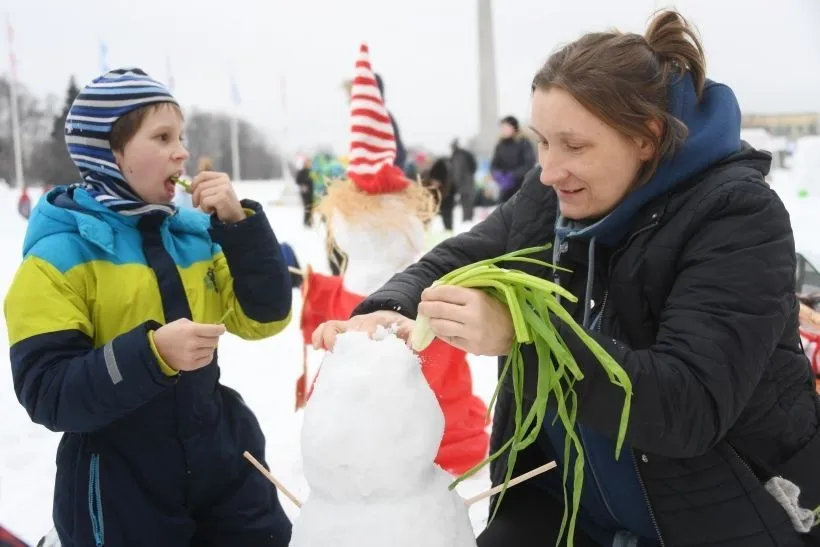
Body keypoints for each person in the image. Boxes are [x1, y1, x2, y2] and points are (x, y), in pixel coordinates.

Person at [311, 10, 820, 546]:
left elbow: (687, 407)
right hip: (569, 510)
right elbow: (462, 256)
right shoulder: (550, 194)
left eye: (574, 146)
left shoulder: (735, 216)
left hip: (720, 517)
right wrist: (392, 306)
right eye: (542, 142)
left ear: (646, 138)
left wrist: (524, 333)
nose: (550, 169)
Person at [4, 68, 293, 547]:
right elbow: (48, 391)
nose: (181, 151)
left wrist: (240, 228)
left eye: (181, 136)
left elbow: (265, 318)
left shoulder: (193, 236)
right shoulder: (58, 257)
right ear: (107, 153)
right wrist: (151, 353)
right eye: (162, 137)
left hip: (222, 459)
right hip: (121, 485)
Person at [490, 115, 535, 203]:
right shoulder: (500, 145)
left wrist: (513, 175)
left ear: (514, 127)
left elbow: (529, 163)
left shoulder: (524, 142)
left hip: (522, 186)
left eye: (506, 127)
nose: (503, 129)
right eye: (502, 127)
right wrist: (497, 175)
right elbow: (494, 164)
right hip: (505, 188)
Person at [450, 139, 478, 223]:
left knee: (465, 202)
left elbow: (458, 171)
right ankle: (468, 219)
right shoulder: (465, 154)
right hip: (469, 181)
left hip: (463, 183)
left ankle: (467, 220)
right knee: (468, 202)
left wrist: (455, 182)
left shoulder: (458, 156)